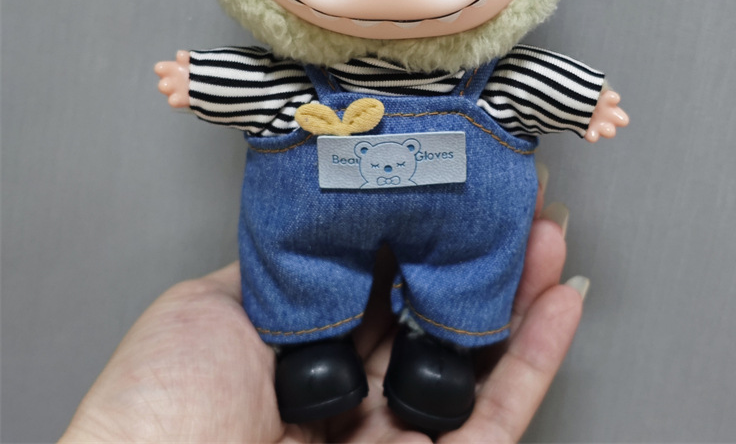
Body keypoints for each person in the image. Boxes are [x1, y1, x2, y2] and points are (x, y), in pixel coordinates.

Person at [59, 170, 587, 443]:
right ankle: (312, 346)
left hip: (454, 194)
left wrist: (583, 102)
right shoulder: (283, 74)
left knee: (468, 255)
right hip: (321, 182)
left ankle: (439, 346)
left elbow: (538, 89)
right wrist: (199, 81)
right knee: (301, 256)